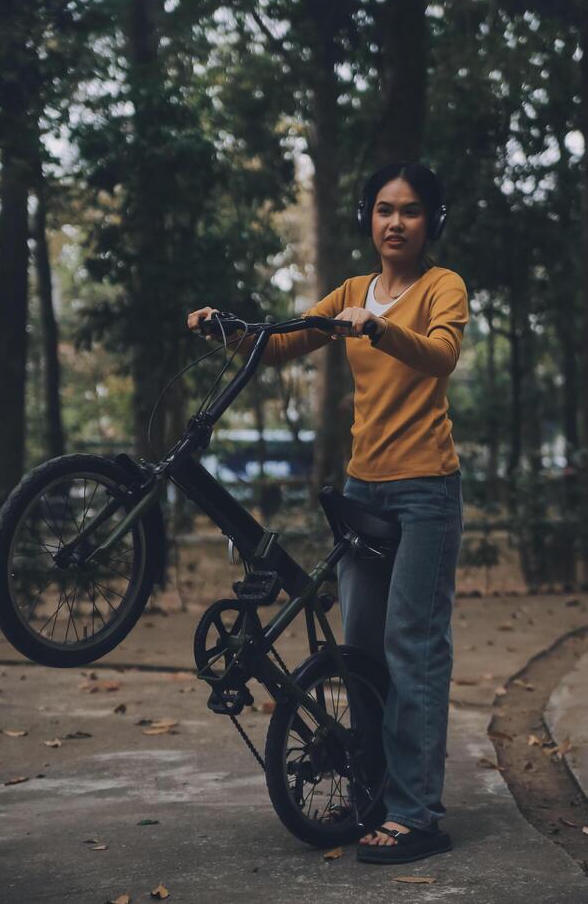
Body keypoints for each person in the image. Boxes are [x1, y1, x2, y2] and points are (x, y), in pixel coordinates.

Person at [187, 161, 468, 865]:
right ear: (367, 219)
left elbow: (441, 356)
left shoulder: (442, 287)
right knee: (360, 652)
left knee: (415, 650)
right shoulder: (349, 291)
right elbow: (281, 343)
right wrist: (227, 328)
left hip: (425, 491)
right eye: (382, 209)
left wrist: (376, 330)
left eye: (409, 210)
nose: (395, 222)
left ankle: (416, 814)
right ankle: (369, 794)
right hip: (362, 490)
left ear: (432, 220)